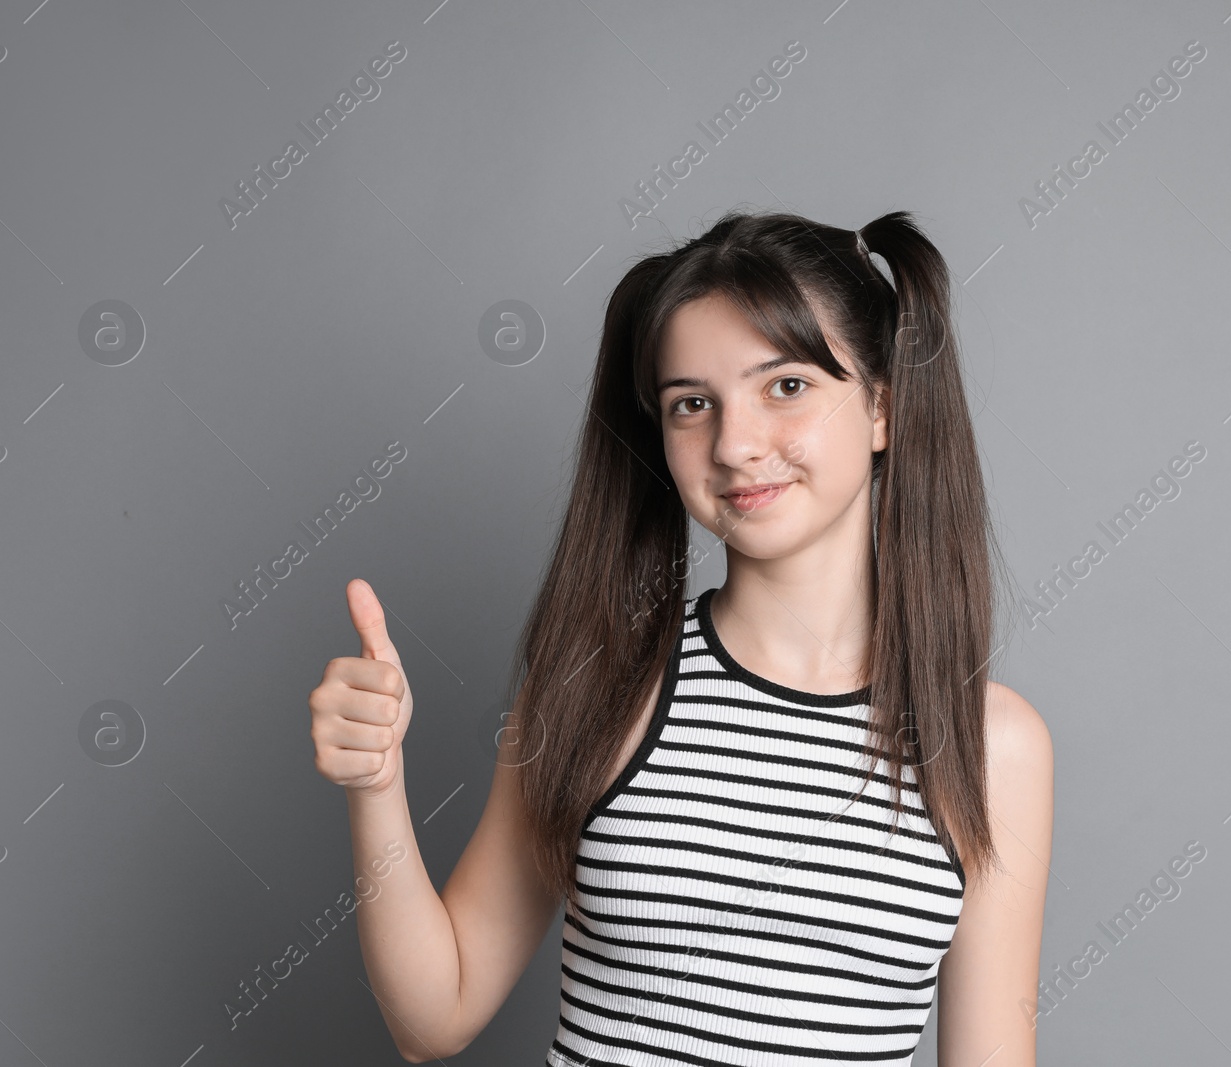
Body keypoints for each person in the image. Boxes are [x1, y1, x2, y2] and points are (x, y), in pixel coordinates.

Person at [308, 209, 1054, 1065]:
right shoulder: (598, 684)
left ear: (883, 407)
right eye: (692, 404)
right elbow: (431, 1018)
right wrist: (376, 787)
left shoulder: (992, 748)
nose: (735, 445)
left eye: (786, 386)